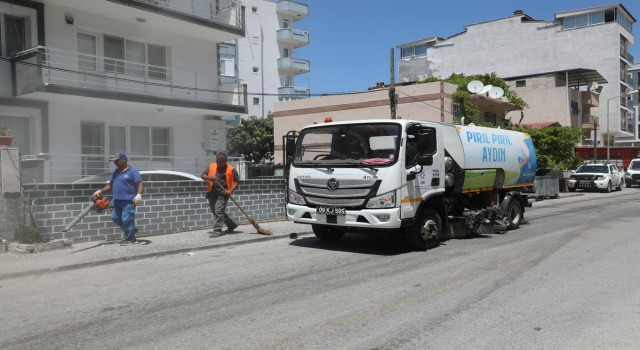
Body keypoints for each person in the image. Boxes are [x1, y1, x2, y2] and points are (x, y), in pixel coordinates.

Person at [93, 153, 143, 245]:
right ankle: (132, 230)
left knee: (127, 219)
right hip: (116, 200)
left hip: (128, 200)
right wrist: (100, 191)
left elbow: (139, 183)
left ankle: (130, 239)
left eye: (117, 160)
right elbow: (110, 185)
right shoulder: (115, 172)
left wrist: (139, 194)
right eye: (114, 161)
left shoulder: (133, 171)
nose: (115, 162)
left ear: (124, 160)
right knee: (115, 218)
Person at [202, 152, 239, 237]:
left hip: (223, 193)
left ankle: (217, 230)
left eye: (220, 162)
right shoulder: (211, 166)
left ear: (225, 161)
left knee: (219, 211)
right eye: (217, 162)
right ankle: (231, 225)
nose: (218, 164)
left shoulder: (231, 169)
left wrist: (230, 191)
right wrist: (209, 178)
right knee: (216, 212)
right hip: (211, 192)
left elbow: (237, 182)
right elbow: (203, 175)